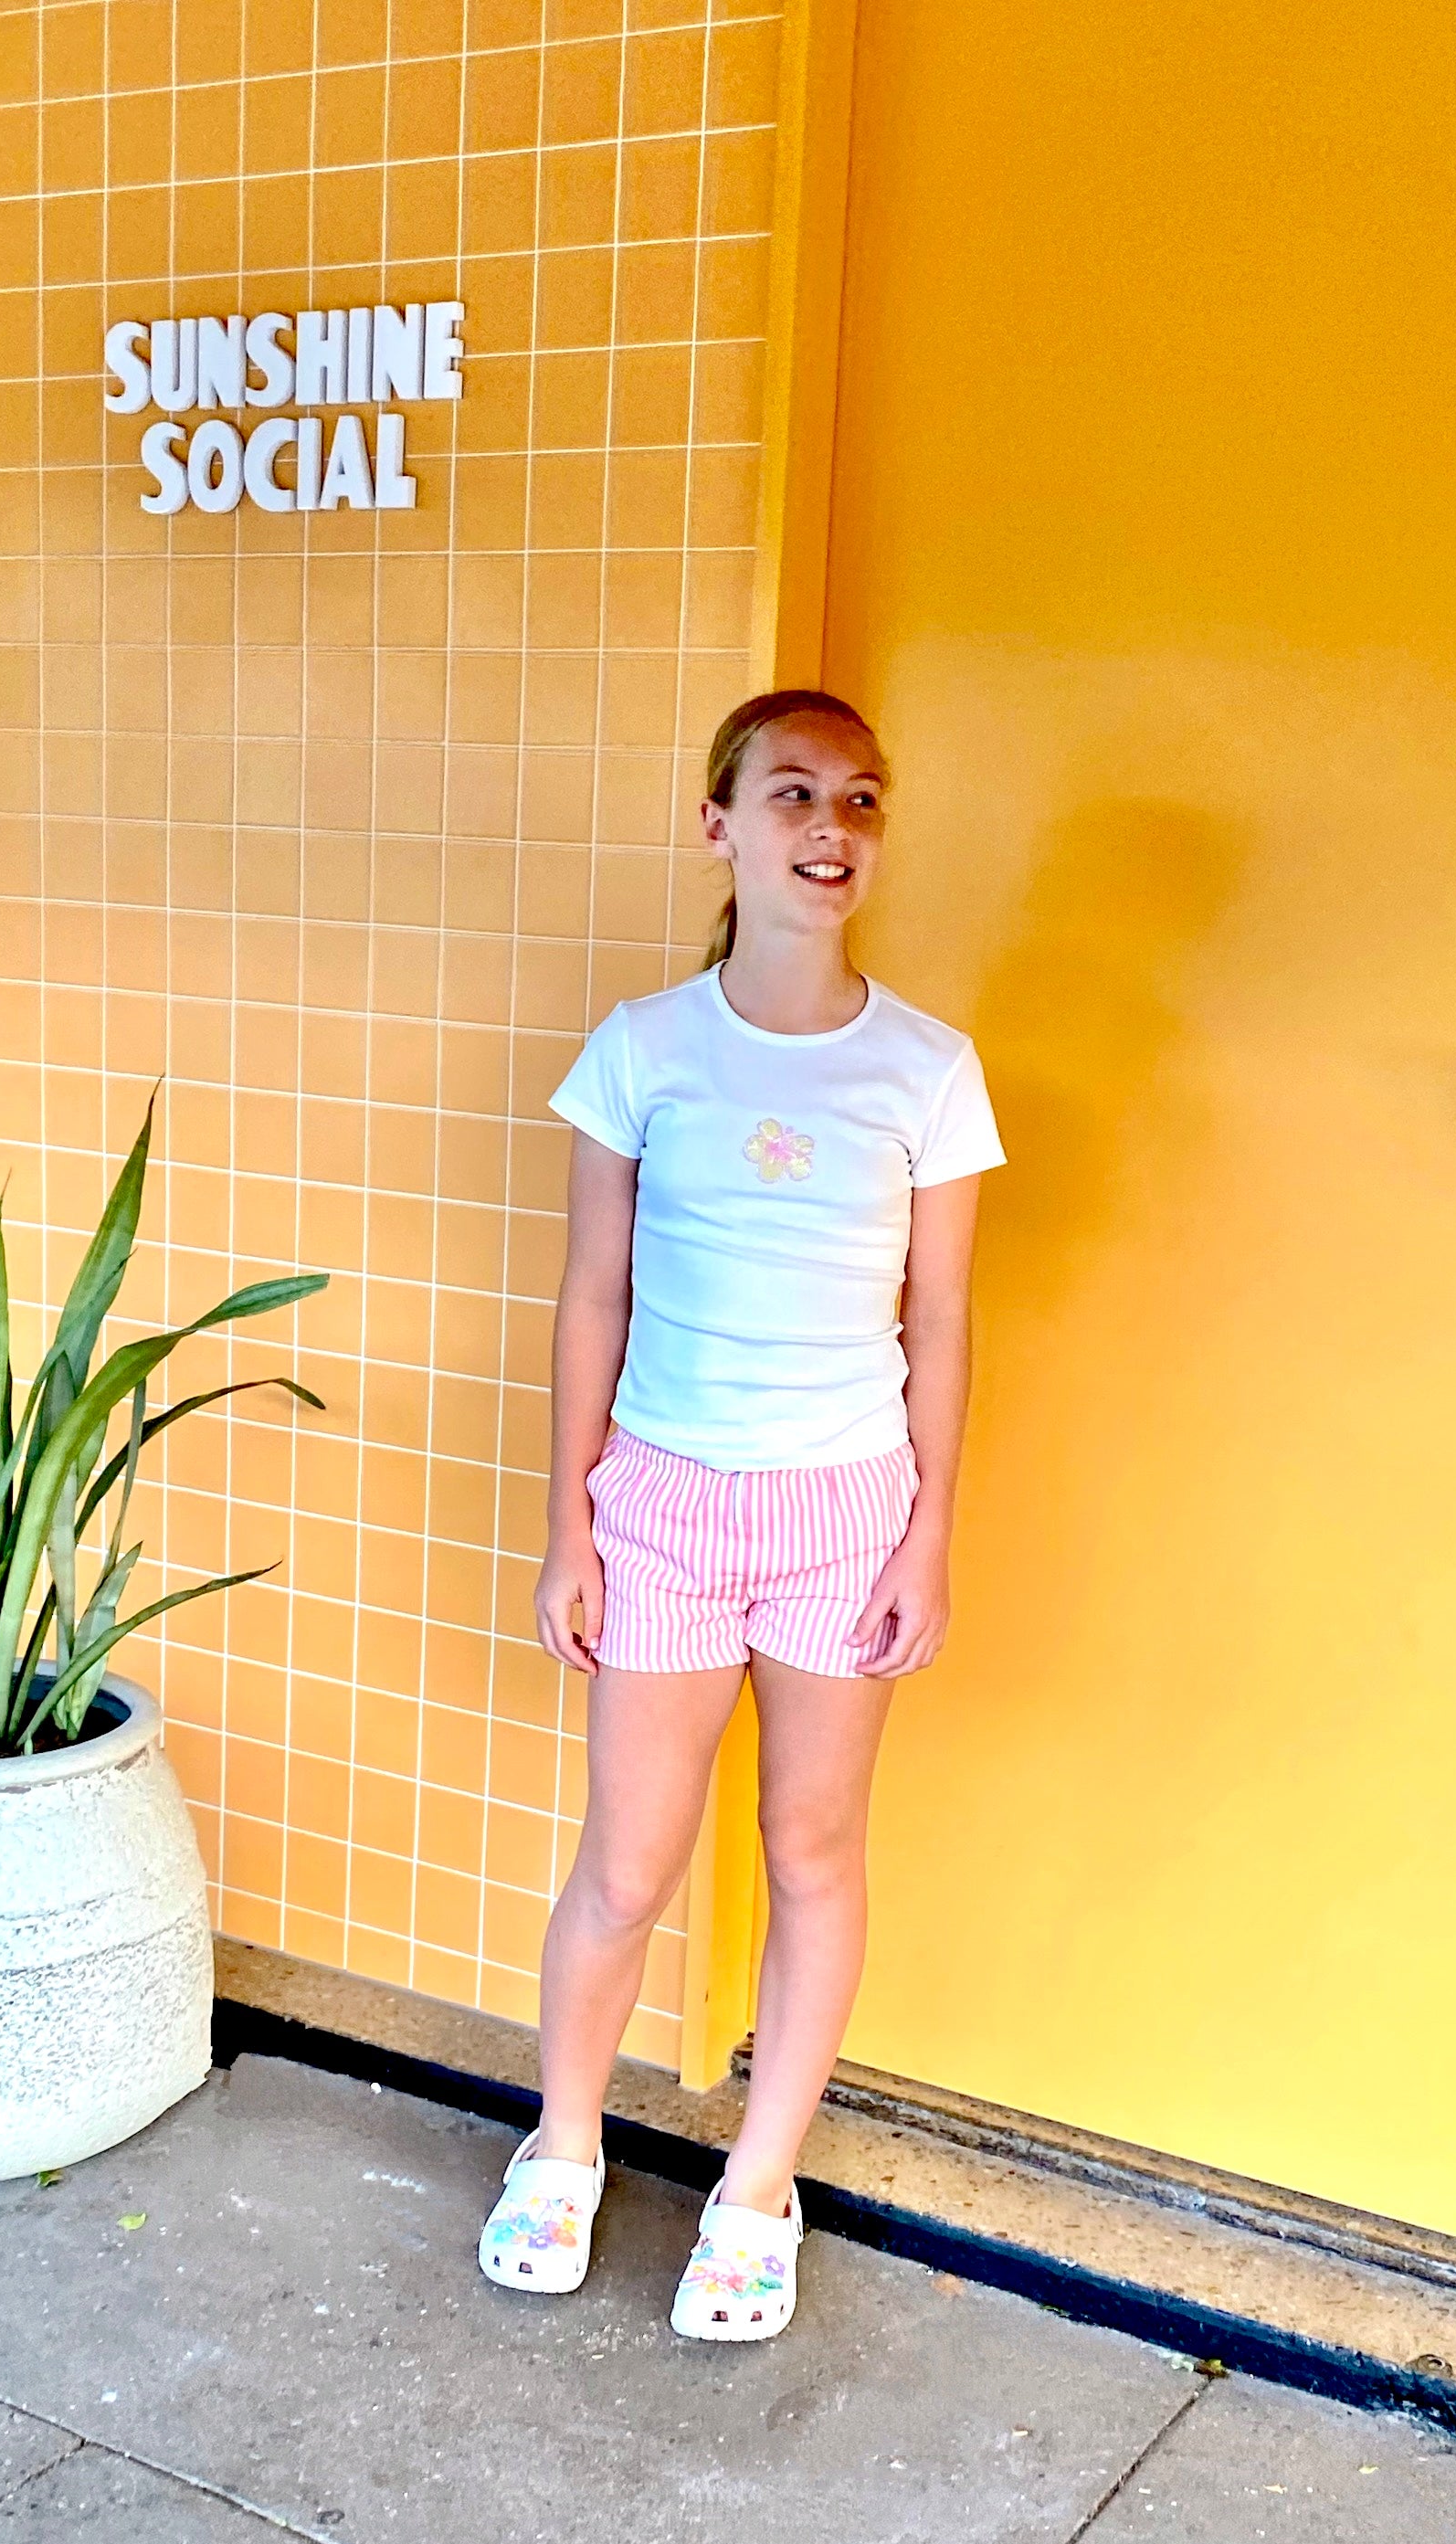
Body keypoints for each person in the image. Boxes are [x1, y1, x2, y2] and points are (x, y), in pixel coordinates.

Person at [476, 688, 1005, 2341]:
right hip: (663, 1504)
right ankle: (562, 2150)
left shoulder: (927, 1068)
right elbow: (589, 1298)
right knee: (625, 1868)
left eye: (857, 800)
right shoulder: (643, 1048)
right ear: (720, 825)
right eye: (791, 796)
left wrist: (925, 1536)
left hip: (849, 1510)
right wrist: (572, 1523)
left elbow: (941, 1322)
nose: (828, 829)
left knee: (811, 1852)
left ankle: (758, 2191)